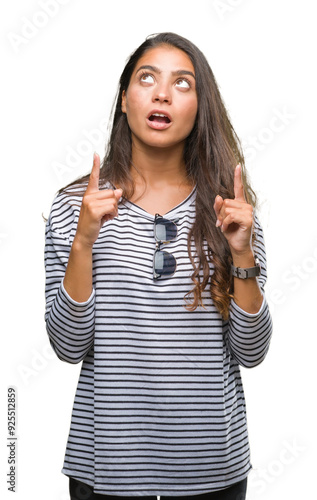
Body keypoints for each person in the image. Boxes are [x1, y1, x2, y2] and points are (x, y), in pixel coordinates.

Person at [44, 32, 273, 500]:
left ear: (198, 107)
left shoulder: (230, 210)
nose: (162, 93)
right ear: (125, 101)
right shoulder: (75, 207)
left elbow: (252, 353)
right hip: (106, 469)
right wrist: (85, 240)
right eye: (146, 78)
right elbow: (68, 346)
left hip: (213, 470)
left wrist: (242, 253)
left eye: (182, 83)